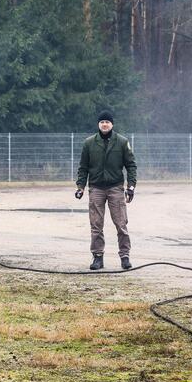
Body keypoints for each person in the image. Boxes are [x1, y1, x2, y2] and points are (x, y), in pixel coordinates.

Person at [75, 111, 137, 270]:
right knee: (96, 224)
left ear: (112, 124)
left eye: (107, 122)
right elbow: (83, 167)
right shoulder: (89, 143)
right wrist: (80, 187)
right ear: (98, 124)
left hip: (116, 187)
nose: (104, 124)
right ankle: (97, 257)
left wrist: (131, 187)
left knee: (121, 223)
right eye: (102, 121)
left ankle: (125, 256)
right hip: (96, 188)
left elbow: (131, 166)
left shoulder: (122, 142)